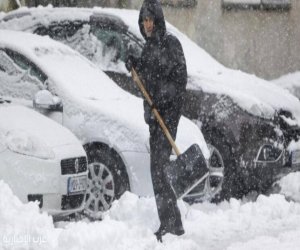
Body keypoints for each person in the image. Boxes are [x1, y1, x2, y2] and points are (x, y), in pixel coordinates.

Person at [125, 0, 187, 242]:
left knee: (159, 170)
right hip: (154, 118)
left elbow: (180, 80)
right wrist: (134, 64)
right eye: (144, 20)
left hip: (168, 116)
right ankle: (174, 223)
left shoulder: (171, 44)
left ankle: (170, 224)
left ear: (158, 20)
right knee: (159, 171)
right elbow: (148, 76)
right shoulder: (148, 47)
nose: (147, 24)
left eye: (151, 20)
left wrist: (164, 96)